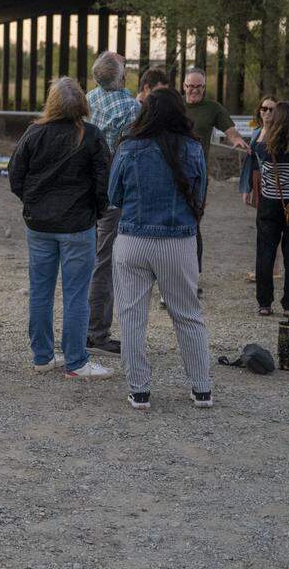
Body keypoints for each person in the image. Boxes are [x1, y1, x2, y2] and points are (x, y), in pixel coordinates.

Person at [110, 88, 212, 410]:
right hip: (178, 241)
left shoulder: (129, 147)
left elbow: (114, 195)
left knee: (131, 317)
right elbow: (201, 192)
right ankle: (201, 389)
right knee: (187, 315)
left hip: (133, 240)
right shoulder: (194, 148)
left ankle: (139, 390)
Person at [8, 77, 113, 379]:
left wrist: (32, 203)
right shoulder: (91, 136)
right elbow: (103, 183)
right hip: (78, 226)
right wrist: (96, 212)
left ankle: (42, 356)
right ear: (82, 102)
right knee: (76, 294)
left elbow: (15, 176)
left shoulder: (33, 133)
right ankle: (76, 362)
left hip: (39, 225)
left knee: (40, 291)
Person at [85, 51, 141, 355]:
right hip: (112, 192)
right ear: (119, 77)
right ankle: (96, 332)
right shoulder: (131, 108)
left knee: (89, 257)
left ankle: (84, 325)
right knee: (105, 262)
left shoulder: (88, 98)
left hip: (85, 187)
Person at [183, 67, 249, 291]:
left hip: (197, 175)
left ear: (204, 88)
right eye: (190, 86)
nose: (193, 91)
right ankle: (171, 275)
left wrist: (237, 140)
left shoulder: (212, 108)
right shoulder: (174, 106)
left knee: (193, 223)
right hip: (171, 173)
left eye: (198, 87)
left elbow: (230, 131)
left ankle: (193, 276)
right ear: (184, 87)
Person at [248, 101, 289, 318]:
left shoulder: (264, 147)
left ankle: (264, 304)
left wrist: (266, 128)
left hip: (270, 203)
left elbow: (258, 160)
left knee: (265, 253)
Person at [239, 96, 283, 283]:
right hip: (258, 181)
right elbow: (250, 162)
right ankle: (268, 267)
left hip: (276, 183)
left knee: (275, 226)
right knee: (263, 226)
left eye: (271, 109)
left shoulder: (281, 133)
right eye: (264, 109)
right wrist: (246, 187)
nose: (266, 112)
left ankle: (273, 268)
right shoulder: (257, 132)